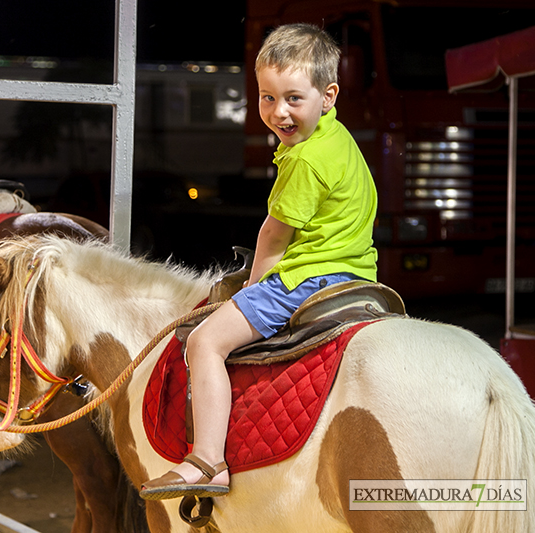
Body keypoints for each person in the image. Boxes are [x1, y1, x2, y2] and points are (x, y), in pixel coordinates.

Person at [139, 23, 378, 500]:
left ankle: (207, 460)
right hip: (358, 273)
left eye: (293, 98)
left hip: (308, 276)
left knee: (205, 342)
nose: (279, 112)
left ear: (327, 96)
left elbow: (274, 234)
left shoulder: (305, 159)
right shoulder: (337, 138)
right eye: (267, 98)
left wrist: (255, 286)